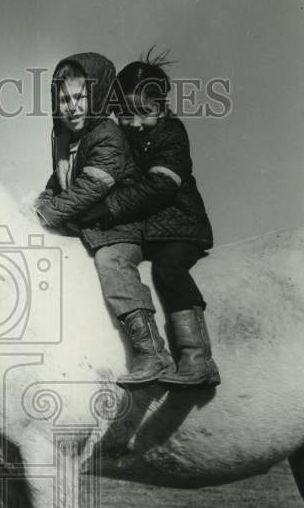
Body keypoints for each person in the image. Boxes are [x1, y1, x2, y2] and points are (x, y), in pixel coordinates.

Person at [79, 50, 219, 387]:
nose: (136, 122)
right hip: (142, 230)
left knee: (168, 269)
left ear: (162, 106)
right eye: (126, 114)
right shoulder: (121, 138)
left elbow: (160, 186)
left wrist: (109, 209)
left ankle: (197, 358)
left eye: (145, 112)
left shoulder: (172, 134)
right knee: (110, 257)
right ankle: (150, 353)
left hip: (179, 228)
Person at [33, 52, 173, 388]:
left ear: (95, 96)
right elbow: (57, 186)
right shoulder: (68, 145)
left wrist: (47, 213)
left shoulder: (108, 134)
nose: (72, 106)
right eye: (64, 99)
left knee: (113, 265)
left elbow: (89, 189)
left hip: (119, 229)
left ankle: (151, 350)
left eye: (80, 97)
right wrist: (38, 202)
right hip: (92, 230)